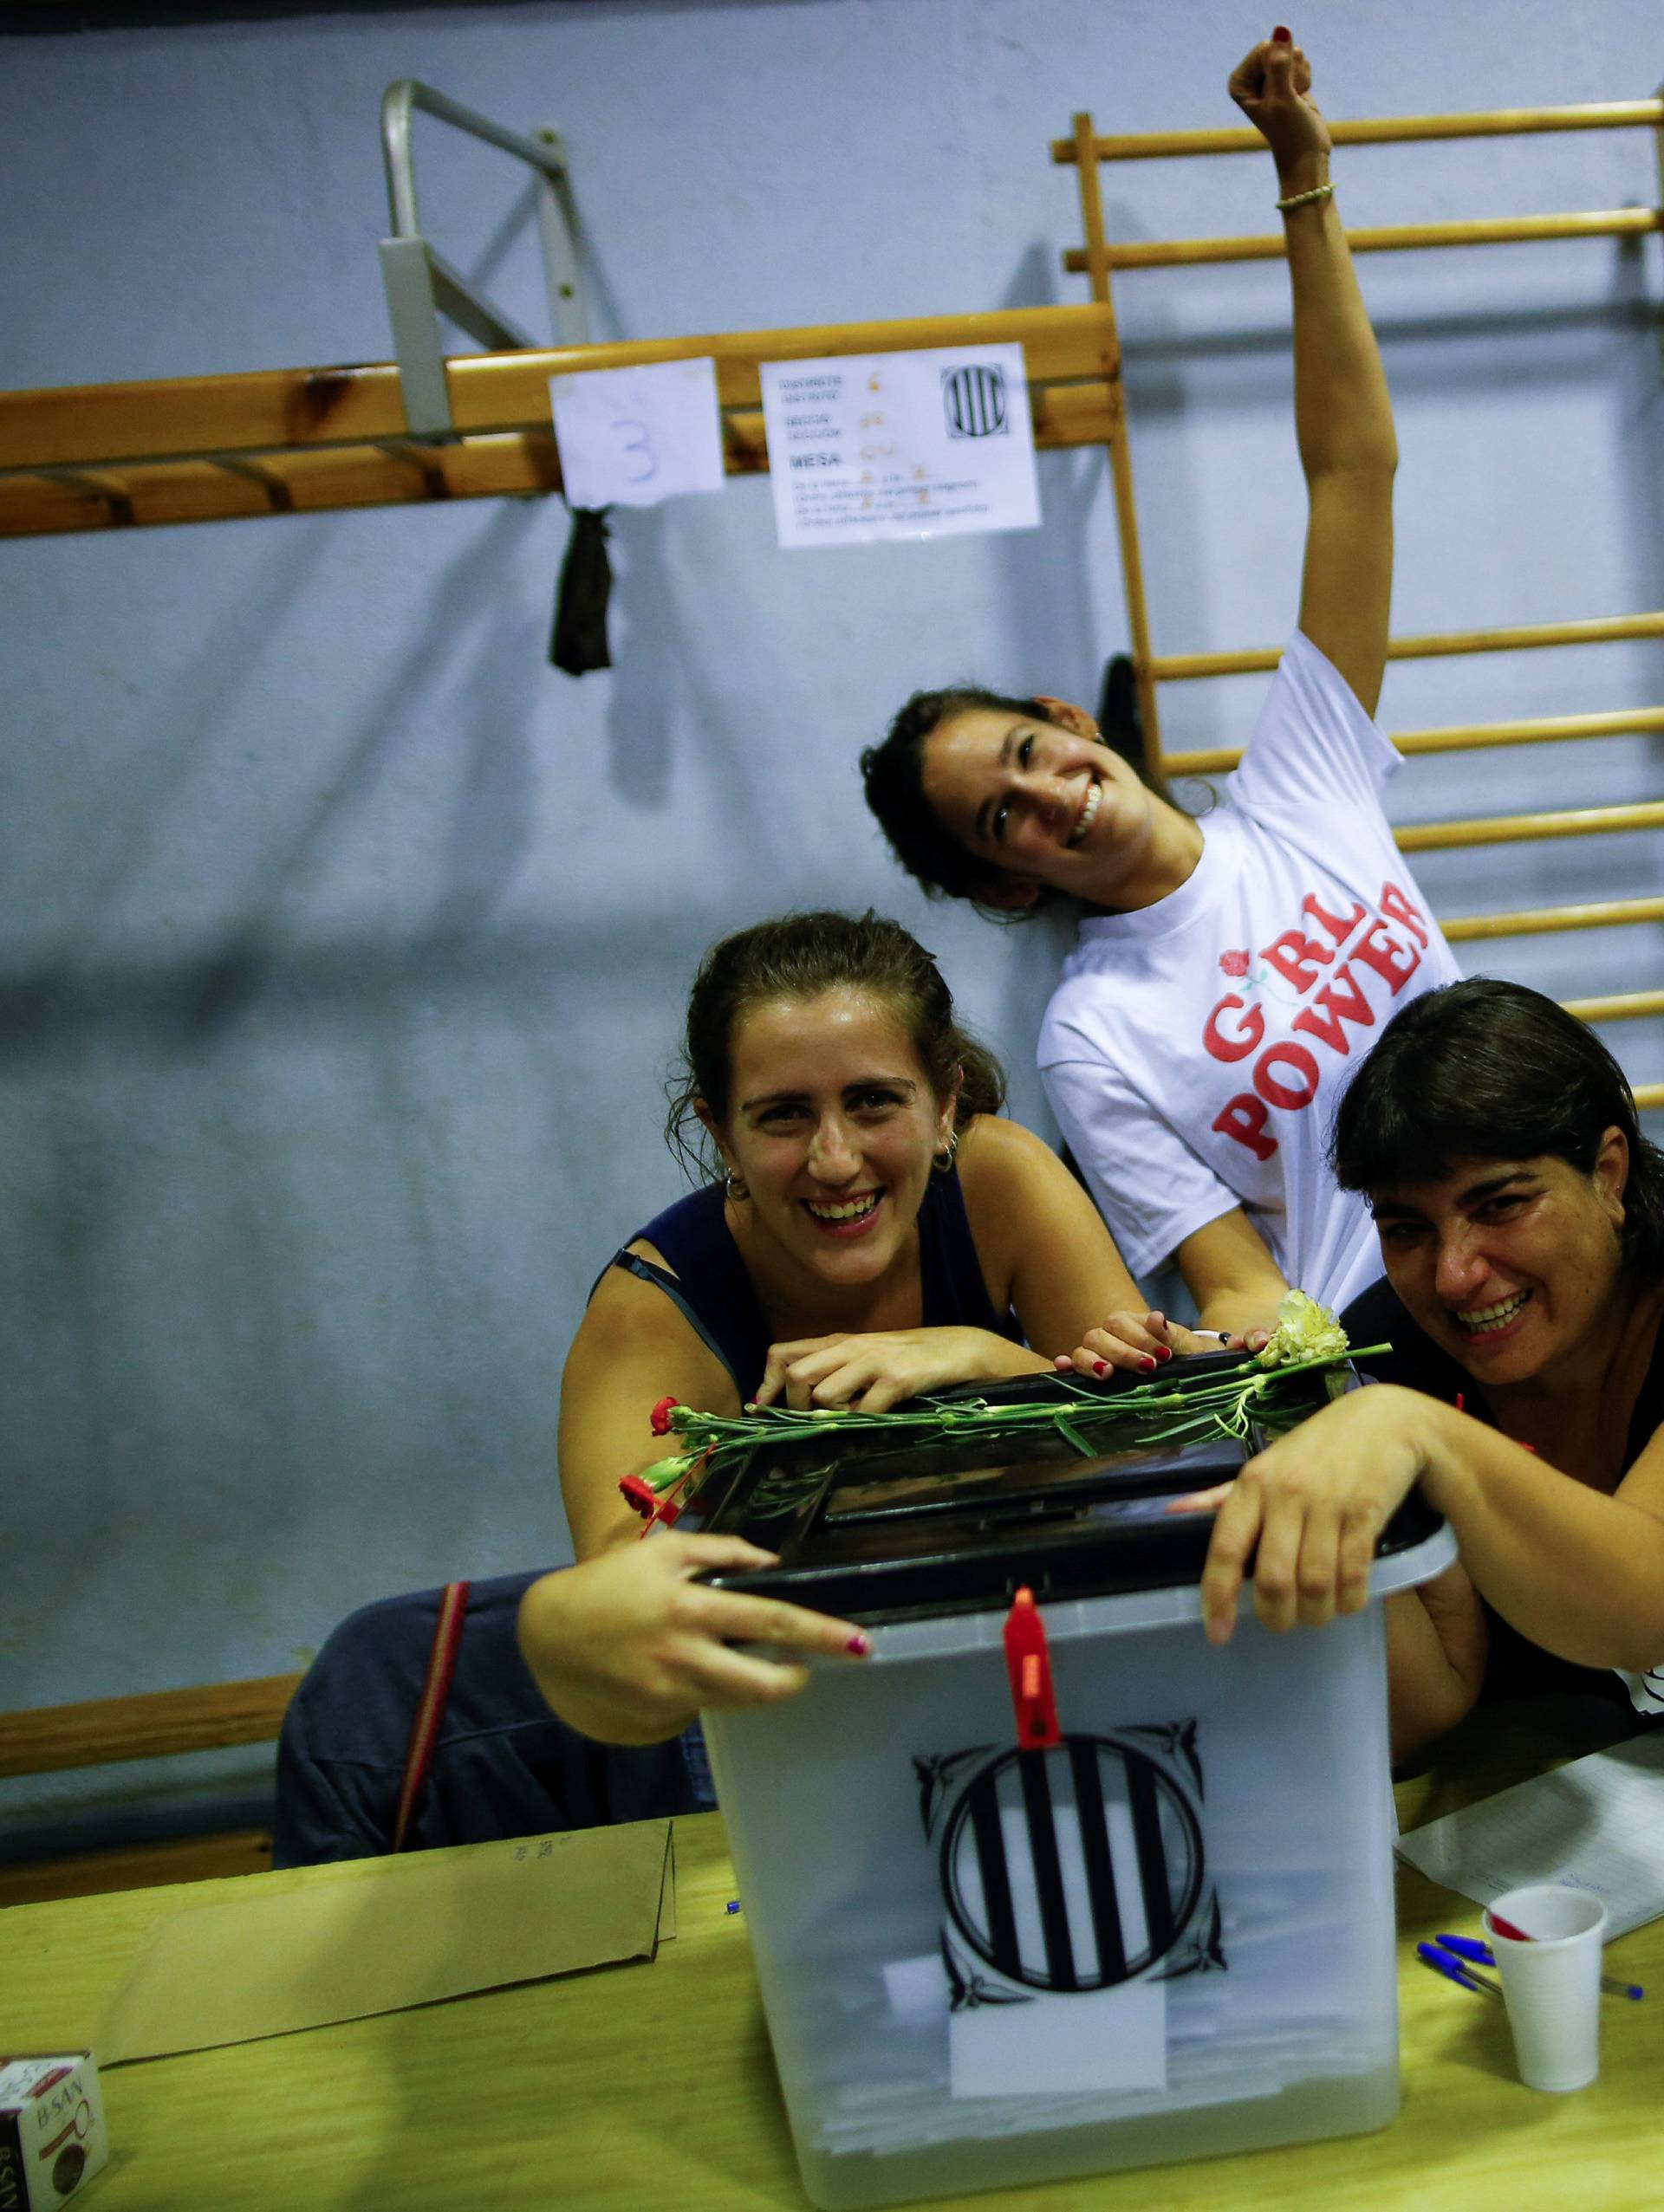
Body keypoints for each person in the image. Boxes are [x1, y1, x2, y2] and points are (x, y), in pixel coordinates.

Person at [859, 29, 1461, 1346]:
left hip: (1584, 1243)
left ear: (1071, 724)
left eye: (1026, 751)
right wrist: (1234, 1348)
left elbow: (1353, 469)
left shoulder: (1304, 779)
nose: (1045, 794)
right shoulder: (1095, 1038)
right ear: (1006, 883)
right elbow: (1240, 1283)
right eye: (1000, 818)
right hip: (1407, 1334)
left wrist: (1303, 171)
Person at [519, 907, 1215, 1750]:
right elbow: (635, 1649)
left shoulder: (1001, 1182)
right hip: (801, 1711)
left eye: (874, 1102)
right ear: (721, 1136)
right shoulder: (653, 1314)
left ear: (947, 1103)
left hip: (1038, 1641)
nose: (836, 1160)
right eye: (783, 1115)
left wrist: (990, 1361)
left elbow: (1164, 1472)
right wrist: (554, 1624)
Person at [1178, 979, 1664, 1763]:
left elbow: (1646, 1609)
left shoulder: (1400, 1413)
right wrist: (1253, 1415)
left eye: (1500, 1204)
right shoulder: (1392, 1355)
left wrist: (1413, 1431)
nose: (1453, 1276)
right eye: (1407, 1228)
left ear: (1608, 1173)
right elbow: (1426, 1705)